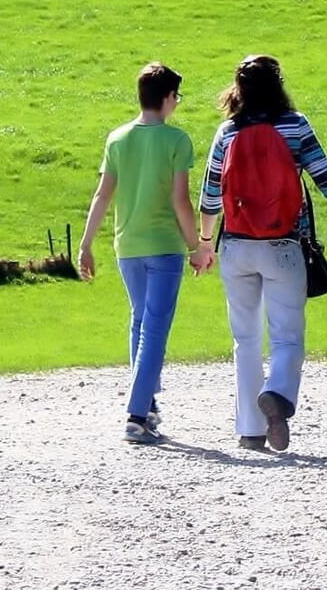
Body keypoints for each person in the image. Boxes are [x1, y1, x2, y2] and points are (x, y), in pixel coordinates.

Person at [198, 54, 327, 452]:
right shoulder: (295, 125)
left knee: (245, 339)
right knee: (287, 337)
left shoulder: (227, 132)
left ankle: (250, 430)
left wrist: (206, 242)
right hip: (283, 244)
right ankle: (276, 395)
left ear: (239, 89)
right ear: (278, 85)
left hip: (236, 246)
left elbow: (210, 195)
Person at [79, 62, 211, 445]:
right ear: (168, 98)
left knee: (140, 321)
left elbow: (103, 195)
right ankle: (137, 416)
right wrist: (196, 246)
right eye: (176, 97)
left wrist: (86, 244)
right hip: (164, 247)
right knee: (153, 329)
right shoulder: (176, 141)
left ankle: (147, 405)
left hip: (128, 246)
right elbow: (180, 201)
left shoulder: (117, 138)